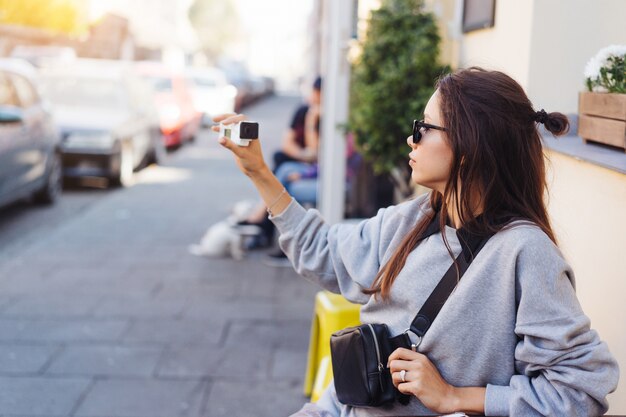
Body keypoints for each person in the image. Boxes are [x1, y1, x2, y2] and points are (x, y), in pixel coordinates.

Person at [212, 67, 619, 416]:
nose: (412, 139)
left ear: (469, 144)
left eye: (424, 128)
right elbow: (324, 252)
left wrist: (456, 396)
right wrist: (260, 173)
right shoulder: (414, 218)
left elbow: (579, 392)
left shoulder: (525, 254)